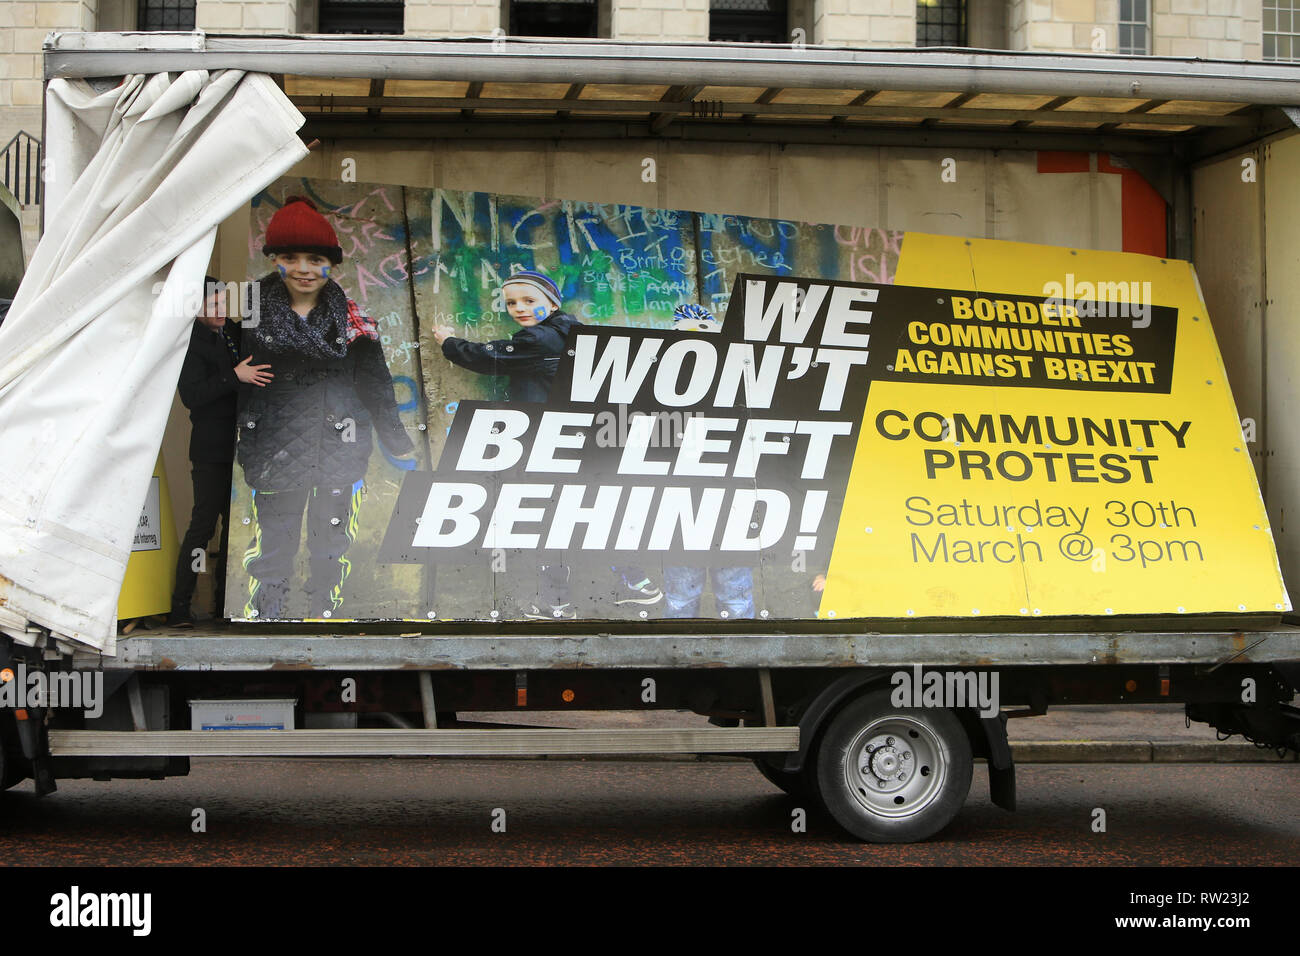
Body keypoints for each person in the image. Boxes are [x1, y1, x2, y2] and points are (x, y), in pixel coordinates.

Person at [238, 197, 414, 620]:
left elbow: (375, 383)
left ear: (331, 264)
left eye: (314, 258)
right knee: (275, 540)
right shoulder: (245, 313)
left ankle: (323, 609)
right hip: (273, 449)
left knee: (331, 539)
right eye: (289, 257)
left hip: (341, 447)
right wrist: (232, 376)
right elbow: (214, 374)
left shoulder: (353, 320)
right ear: (275, 260)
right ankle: (269, 614)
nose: (302, 268)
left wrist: (397, 440)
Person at [433, 270, 581, 620]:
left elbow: (489, 357)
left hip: (547, 443)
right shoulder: (562, 332)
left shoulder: (544, 338)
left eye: (530, 301)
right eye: (512, 302)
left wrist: (449, 343)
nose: (519, 308)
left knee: (547, 521)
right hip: (558, 440)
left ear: (553, 303)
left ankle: (557, 604)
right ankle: (604, 591)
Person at [168, 277, 273, 628]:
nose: (220, 310)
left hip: (242, 444)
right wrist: (234, 375)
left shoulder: (228, 331)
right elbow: (192, 396)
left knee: (235, 527)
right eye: (212, 305)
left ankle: (222, 605)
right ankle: (180, 607)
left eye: (222, 303)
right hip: (211, 447)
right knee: (203, 526)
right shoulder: (188, 342)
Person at [661, 304, 755, 621]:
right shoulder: (659, 385)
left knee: (724, 593)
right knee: (687, 595)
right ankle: (681, 663)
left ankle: (684, 664)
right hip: (686, 501)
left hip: (724, 500)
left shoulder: (737, 382)